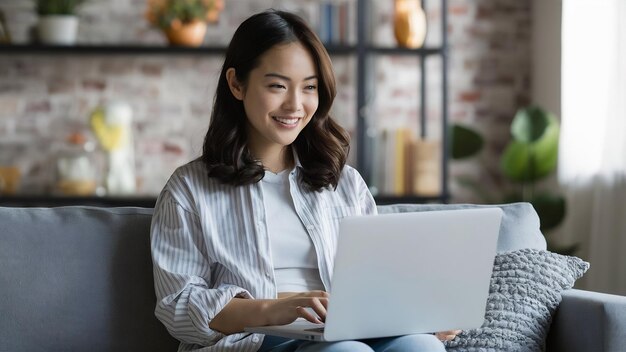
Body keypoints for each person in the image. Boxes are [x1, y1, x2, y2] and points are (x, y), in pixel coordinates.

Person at [150, 9, 459, 352]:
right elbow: (178, 307)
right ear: (237, 83)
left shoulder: (345, 184)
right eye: (278, 85)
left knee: (421, 346)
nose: (295, 105)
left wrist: (420, 311)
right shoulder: (189, 190)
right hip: (254, 341)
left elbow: (377, 281)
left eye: (309, 87)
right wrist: (275, 308)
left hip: (346, 331)